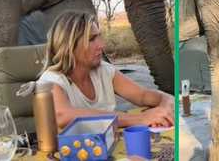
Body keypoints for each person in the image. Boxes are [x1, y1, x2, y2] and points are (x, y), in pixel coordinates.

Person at [38, 10, 174, 128]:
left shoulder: (103, 71)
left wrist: (166, 103)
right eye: (91, 39)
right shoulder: (51, 80)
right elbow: (63, 115)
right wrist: (140, 119)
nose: (101, 45)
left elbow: (142, 96)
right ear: (68, 46)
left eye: (99, 37)